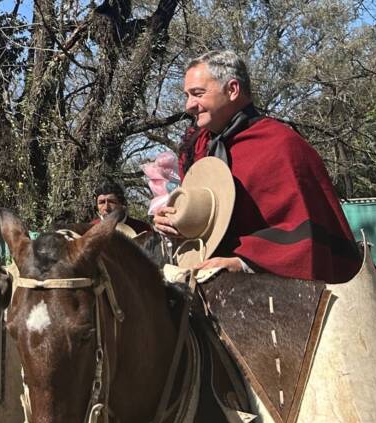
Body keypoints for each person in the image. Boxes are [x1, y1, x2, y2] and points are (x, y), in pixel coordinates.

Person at [152, 50, 359, 282]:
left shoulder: (281, 145)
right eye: (186, 95)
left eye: (197, 94)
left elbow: (308, 236)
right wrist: (175, 221)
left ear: (232, 90)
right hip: (204, 288)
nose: (189, 105)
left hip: (277, 296)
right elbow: (205, 226)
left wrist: (243, 262)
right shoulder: (196, 148)